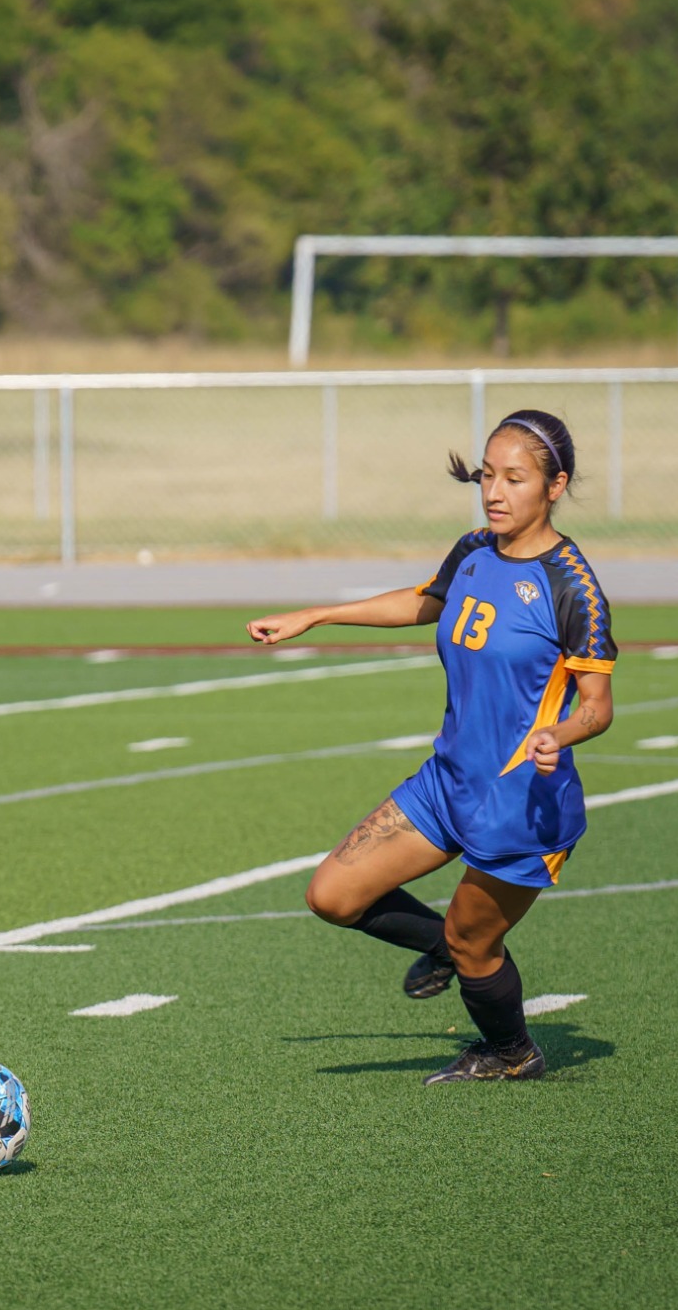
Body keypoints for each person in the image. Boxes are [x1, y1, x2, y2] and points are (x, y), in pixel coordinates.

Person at [246, 410, 615, 1084]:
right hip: (446, 783)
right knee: (332, 895)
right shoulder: (474, 548)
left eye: (515, 478)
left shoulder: (573, 587)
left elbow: (597, 708)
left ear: (554, 485)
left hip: (520, 803)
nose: (495, 492)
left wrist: (557, 734)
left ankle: (513, 1053)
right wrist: (316, 614)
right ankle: (444, 949)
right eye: (487, 476)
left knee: (477, 944)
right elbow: (426, 600)